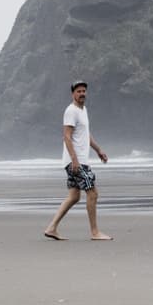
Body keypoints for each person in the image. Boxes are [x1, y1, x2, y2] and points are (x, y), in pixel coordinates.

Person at [44, 81, 111, 241]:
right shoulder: (71, 111)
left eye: (84, 91)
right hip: (76, 161)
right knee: (93, 193)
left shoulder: (83, 110)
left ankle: (51, 228)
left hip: (79, 161)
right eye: (79, 91)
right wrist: (74, 160)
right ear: (73, 94)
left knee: (74, 196)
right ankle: (95, 232)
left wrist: (98, 150)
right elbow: (66, 136)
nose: (82, 94)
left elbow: (85, 134)